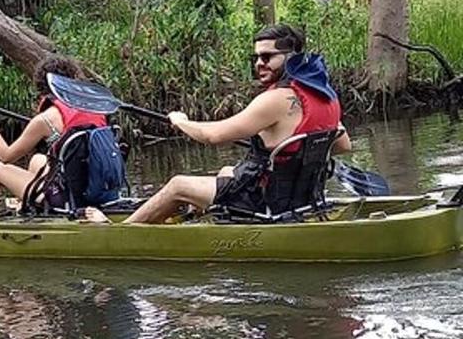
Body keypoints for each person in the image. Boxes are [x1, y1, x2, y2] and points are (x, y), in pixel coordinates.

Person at [86, 23, 350, 224]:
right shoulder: (325, 96)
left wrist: (182, 122)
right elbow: (342, 144)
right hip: (303, 200)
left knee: (178, 184)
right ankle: (190, 219)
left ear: (292, 57)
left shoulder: (275, 99)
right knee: (227, 170)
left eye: (268, 57)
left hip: (265, 203)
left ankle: (122, 231)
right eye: (256, 58)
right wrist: (284, 147)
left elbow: (213, 136)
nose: (259, 64)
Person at [0, 55, 109, 221]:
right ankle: (32, 207)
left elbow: (6, 156)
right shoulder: (93, 109)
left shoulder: (44, 120)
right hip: (96, 189)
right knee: (37, 159)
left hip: (67, 199)